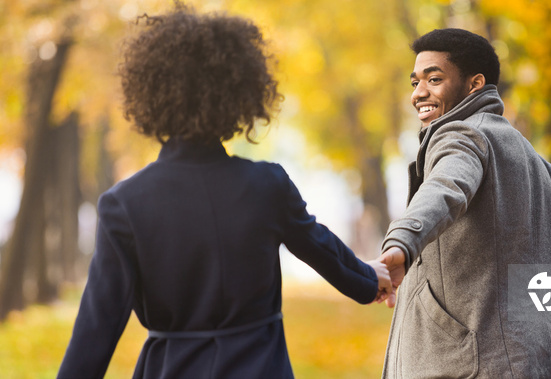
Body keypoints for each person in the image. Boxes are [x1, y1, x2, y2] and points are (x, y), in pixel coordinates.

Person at [57, 5, 390, 378]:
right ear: (239, 94)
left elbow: (97, 326)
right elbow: (321, 248)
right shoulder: (268, 185)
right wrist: (367, 278)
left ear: (150, 96)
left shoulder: (124, 205)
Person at [378, 28, 551, 378]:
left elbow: (447, 185)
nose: (419, 93)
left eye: (434, 79)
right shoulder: (540, 166)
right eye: (415, 82)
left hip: (471, 367)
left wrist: (404, 238)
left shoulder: (462, 135)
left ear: (474, 84)